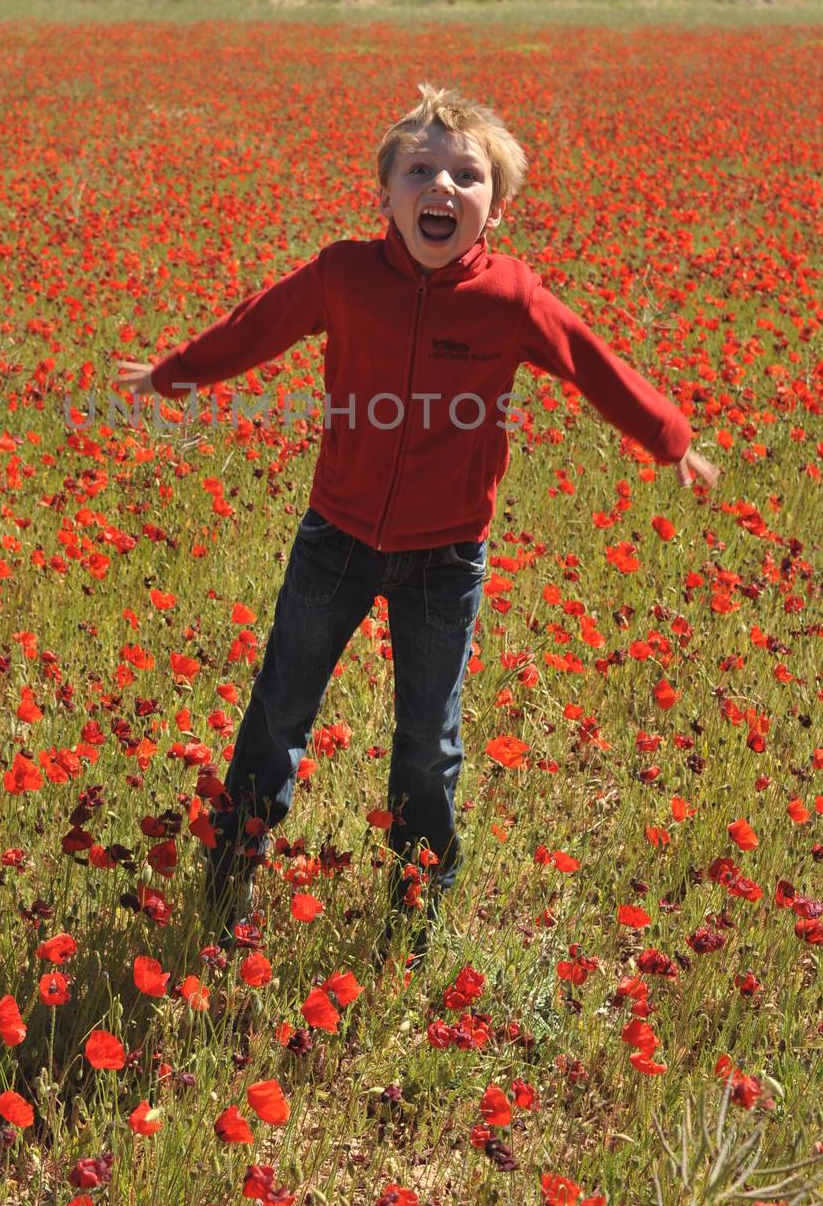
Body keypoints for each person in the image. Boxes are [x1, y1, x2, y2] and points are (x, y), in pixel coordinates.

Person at [116, 85, 719, 965]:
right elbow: (262, 326)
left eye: (466, 177)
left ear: (495, 210)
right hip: (336, 536)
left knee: (427, 742)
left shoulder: (512, 299)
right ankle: (231, 865)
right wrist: (177, 372)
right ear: (386, 196)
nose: (442, 187)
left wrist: (668, 440)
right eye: (421, 172)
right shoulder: (343, 275)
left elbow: (593, 362)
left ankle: (415, 900)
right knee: (280, 707)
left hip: (445, 557)